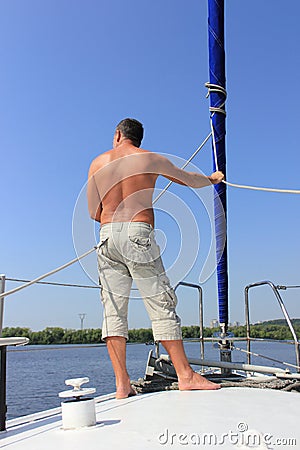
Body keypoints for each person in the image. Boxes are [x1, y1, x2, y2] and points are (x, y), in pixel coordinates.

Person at [87, 118, 224, 399]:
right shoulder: (150, 159)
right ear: (138, 138)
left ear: (117, 135)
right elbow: (189, 179)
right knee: (160, 303)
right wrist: (211, 179)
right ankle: (186, 376)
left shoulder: (97, 163)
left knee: (113, 312)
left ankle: (122, 384)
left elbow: (92, 211)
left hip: (107, 236)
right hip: (139, 231)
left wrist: (114, 223)